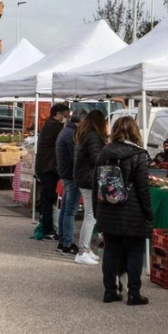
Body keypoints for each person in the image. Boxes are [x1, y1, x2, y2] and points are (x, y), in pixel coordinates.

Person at [94, 116, 153, 306]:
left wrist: (97, 211)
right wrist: (148, 213)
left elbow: (97, 183)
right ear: (135, 131)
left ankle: (110, 291)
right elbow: (143, 188)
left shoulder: (104, 152)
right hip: (133, 210)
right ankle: (134, 293)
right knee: (135, 251)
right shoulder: (139, 155)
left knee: (111, 250)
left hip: (108, 208)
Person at [72, 110, 108, 266]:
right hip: (89, 180)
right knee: (90, 216)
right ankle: (82, 251)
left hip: (85, 178)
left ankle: (86, 249)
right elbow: (96, 158)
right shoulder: (93, 136)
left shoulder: (87, 134)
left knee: (91, 215)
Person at [32, 103, 68, 241]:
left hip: (45, 166)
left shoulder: (50, 124)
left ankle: (46, 225)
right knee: (48, 198)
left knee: (48, 198)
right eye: (65, 115)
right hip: (48, 167)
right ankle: (47, 228)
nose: (66, 118)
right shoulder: (55, 126)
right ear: (57, 114)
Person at [55, 111, 80, 255]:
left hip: (65, 173)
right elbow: (75, 157)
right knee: (70, 210)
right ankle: (67, 243)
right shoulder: (72, 134)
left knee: (65, 208)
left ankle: (63, 240)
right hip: (71, 175)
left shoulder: (65, 131)